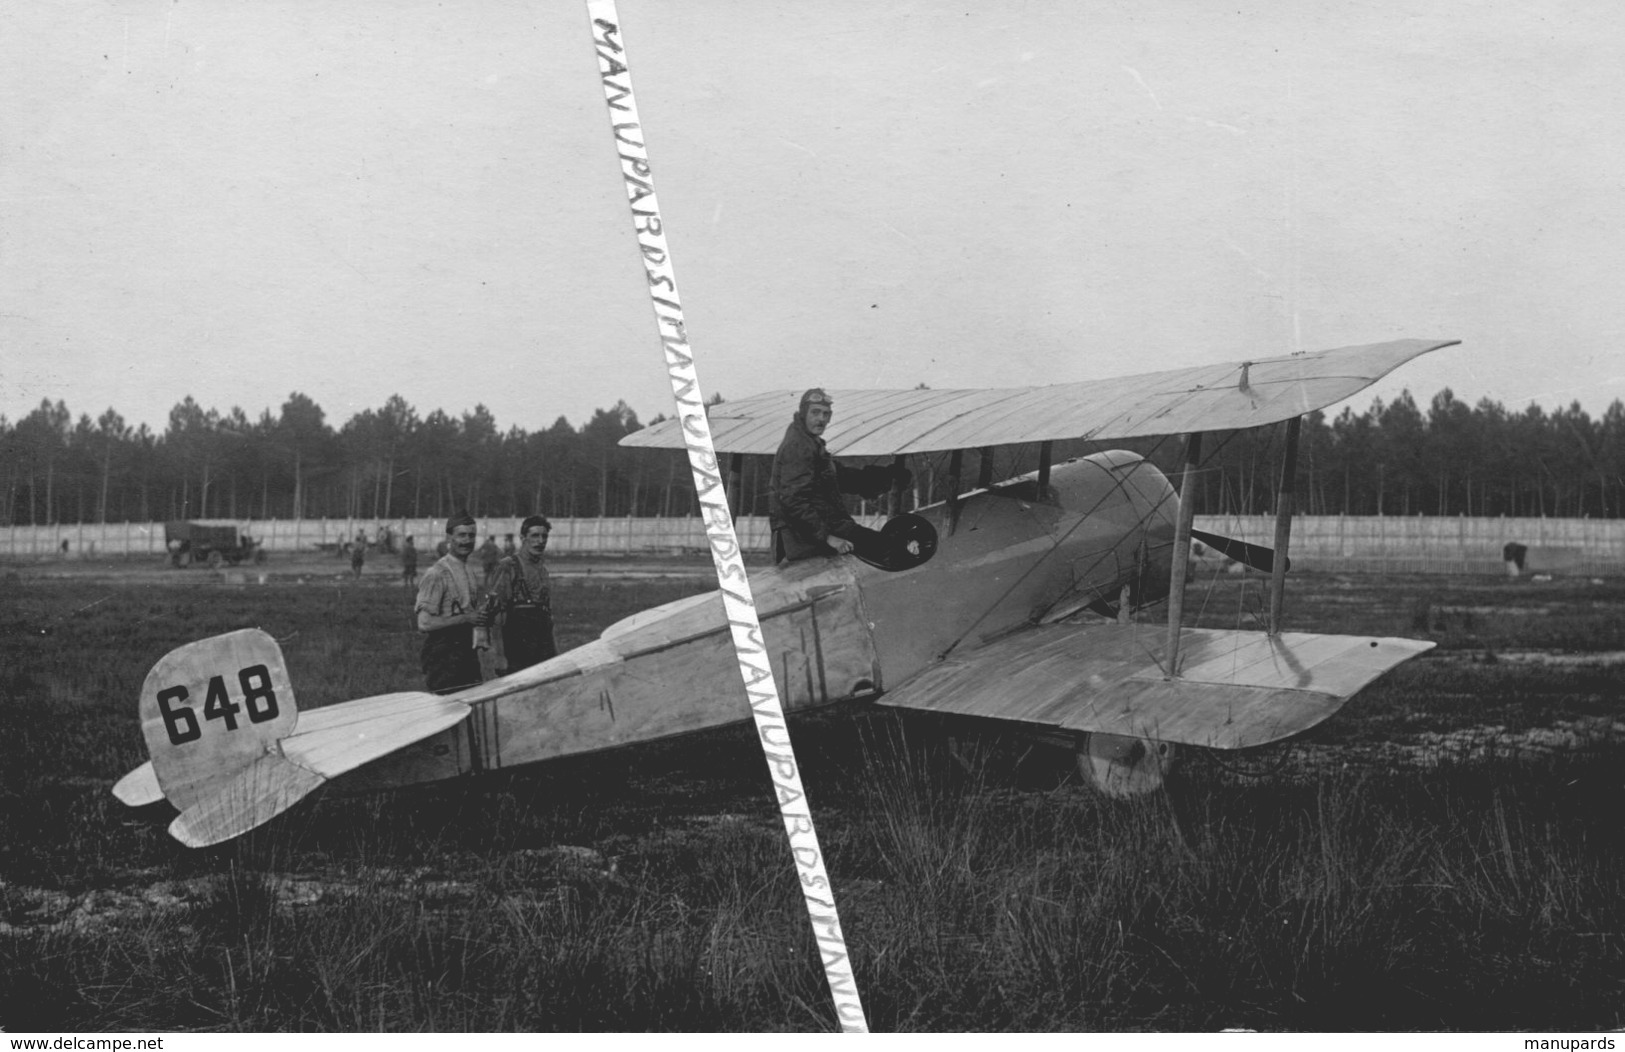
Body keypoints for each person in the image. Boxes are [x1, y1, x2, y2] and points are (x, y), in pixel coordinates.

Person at [769, 388, 907, 563]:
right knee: (888, 550)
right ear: (803, 414)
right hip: (803, 537)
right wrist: (829, 538)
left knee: (882, 544)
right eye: (815, 412)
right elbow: (794, 501)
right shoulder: (799, 446)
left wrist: (886, 477)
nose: (821, 419)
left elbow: (839, 477)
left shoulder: (810, 442)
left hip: (819, 527)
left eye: (825, 414)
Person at [414, 512, 492, 694]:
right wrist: (466, 618)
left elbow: (468, 613)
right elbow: (424, 623)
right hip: (443, 655)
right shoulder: (437, 573)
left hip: (466, 652)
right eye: (461, 535)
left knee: (472, 707)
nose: (466, 541)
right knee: (448, 711)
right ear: (449, 538)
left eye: (471, 535)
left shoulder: (469, 571)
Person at [487, 515, 559, 673]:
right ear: (522, 538)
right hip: (518, 646)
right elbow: (496, 615)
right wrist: (499, 656)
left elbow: (548, 614)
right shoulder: (509, 566)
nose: (540, 541)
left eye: (544, 536)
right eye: (535, 535)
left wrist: (554, 653)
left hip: (543, 644)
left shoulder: (542, 570)